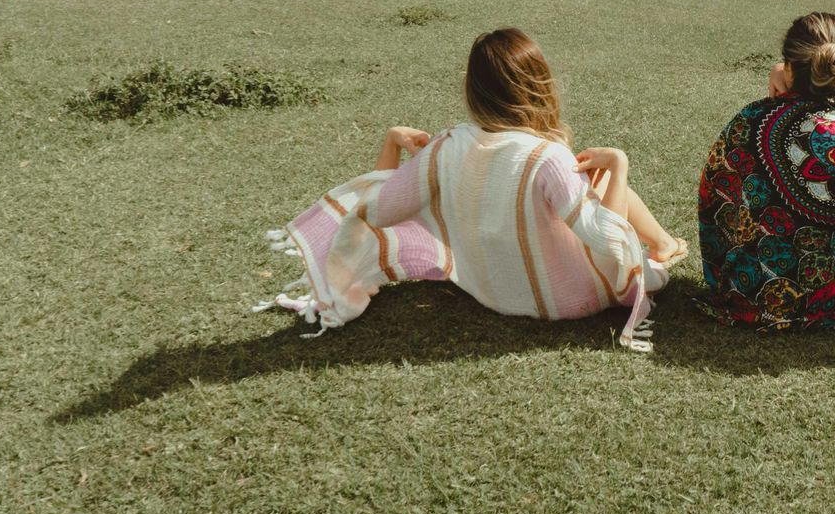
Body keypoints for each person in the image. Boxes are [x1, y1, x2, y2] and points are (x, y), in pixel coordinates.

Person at [259, 27, 683, 341]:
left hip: (495, 294)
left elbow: (378, 211)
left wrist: (393, 143)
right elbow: (607, 242)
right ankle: (663, 246)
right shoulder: (546, 157)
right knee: (605, 175)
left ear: (474, 90)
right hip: (575, 301)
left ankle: (663, 244)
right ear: (539, 88)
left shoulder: (447, 147)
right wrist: (620, 164)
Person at [698, 12, 835, 331]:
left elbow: (714, 203)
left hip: (745, 296)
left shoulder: (749, 120)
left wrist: (780, 72)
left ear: (790, 66)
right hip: (832, 305)